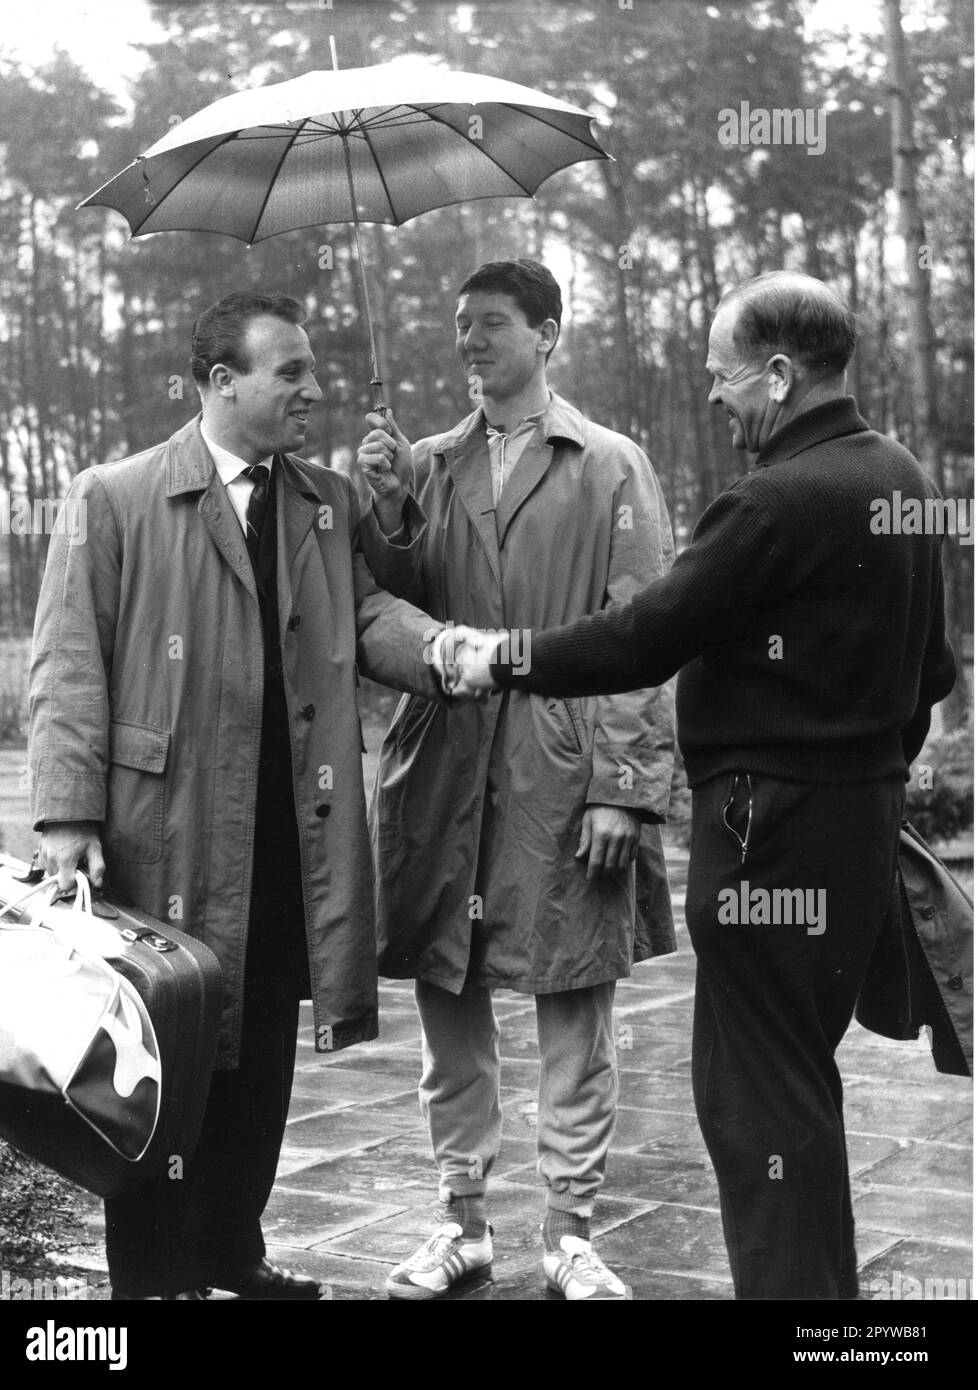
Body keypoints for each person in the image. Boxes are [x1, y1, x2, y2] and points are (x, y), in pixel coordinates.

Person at [453, 271, 958, 1300]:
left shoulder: (775, 498)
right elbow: (933, 674)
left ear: (778, 373)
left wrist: (501, 657)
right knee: (800, 1081)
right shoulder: (899, 473)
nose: (715, 399)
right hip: (857, 824)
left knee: (754, 1101)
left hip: (763, 831)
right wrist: (860, 773)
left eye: (725, 377)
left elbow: (646, 633)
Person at [27, 290, 446, 1301]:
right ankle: (155, 1281)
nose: (314, 387)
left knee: (258, 1053)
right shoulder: (114, 495)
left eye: (311, 368)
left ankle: (230, 1253)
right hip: (159, 835)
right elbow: (66, 662)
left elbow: (374, 609)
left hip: (289, 831)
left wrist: (446, 648)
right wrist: (70, 816)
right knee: (164, 1062)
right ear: (221, 383)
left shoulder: (327, 501)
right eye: (289, 371)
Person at [356, 258, 676, 1300]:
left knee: (574, 996)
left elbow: (645, 628)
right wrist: (388, 508)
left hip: (563, 762)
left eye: (492, 322)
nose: (470, 341)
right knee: (449, 991)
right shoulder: (429, 465)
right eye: (460, 323)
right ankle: (462, 1220)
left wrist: (623, 785)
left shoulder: (609, 464)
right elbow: (388, 608)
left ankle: (573, 1231)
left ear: (549, 332)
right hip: (446, 765)